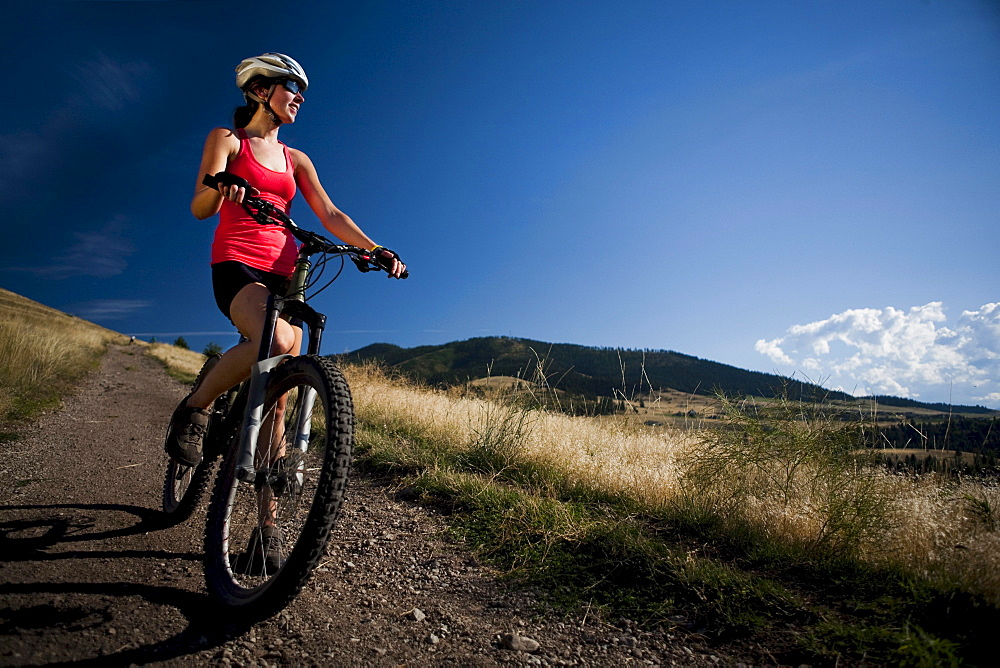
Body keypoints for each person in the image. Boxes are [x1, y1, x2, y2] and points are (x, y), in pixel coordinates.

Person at [166, 53, 405, 471]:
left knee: (279, 395)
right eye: (292, 88)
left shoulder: (297, 160)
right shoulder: (229, 139)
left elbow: (330, 215)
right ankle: (194, 408)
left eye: (301, 92)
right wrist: (223, 185)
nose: (299, 98)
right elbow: (200, 207)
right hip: (237, 263)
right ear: (261, 91)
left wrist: (374, 248)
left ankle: (269, 524)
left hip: (285, 272)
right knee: (273, 342)